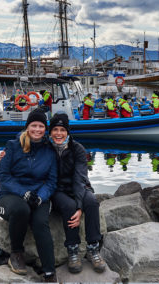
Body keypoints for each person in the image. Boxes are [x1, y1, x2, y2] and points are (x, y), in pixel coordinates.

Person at [0, 109, 58, 282]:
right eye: (34, 125)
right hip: (10, 195)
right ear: (27, 127)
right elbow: (4, 177)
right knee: (21, 210)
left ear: (45, 129)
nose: (37, 129)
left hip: (39, 195)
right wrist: (24, 193)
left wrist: (40, 197)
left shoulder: (49, 150)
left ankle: (49, 271)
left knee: (40, 222)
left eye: (41, 126)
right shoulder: (12, 146)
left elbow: (51, 181)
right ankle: (16, 254)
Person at [48, 113, 106, 274]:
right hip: (57, 190)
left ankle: (93, 248)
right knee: (68, 206)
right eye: (55, 130)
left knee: (92, 202)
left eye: (62, 130)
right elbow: (25, 137)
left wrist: (80, 207)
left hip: (78, 186)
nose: (59, 133)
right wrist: (6, 152)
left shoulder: (77, 148)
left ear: (68, 132)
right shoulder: (45, 148)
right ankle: (72, 250)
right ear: (50, 132)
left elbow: (80, 178)